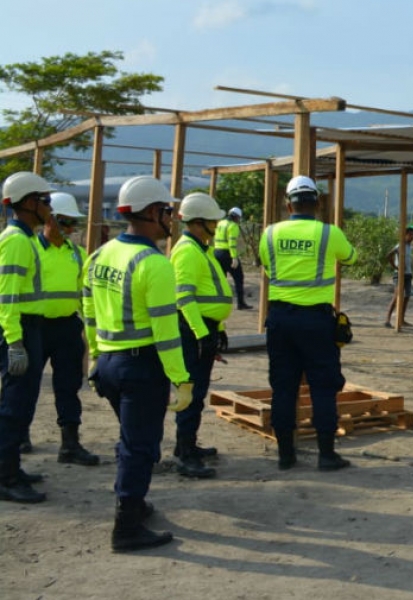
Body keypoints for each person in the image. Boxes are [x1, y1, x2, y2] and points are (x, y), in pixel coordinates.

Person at [83, 175, 192, 551]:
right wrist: (181, 379)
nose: (172, 218)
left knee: (130, 439)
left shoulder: (100, 254)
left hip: (110, 362)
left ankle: (134, 503)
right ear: (150, 212)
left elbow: (89, 312)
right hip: (140, 367)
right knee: (141, 446)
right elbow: (166, 332)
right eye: (167, 211)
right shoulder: (154, 263)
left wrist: (96, 358)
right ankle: (126, 527)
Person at [260, 176, 358, 471]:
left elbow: (267, 265)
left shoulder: (270, 234)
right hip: (316, 321)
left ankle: (285, 455)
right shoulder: (330, 234)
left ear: (288, 204)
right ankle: (326, 455)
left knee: (283, 388)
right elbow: (352, 258)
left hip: (279, 320)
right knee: (323, 387)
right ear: (317, 203)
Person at [169, 192, 235, 479]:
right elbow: (184, 297)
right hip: (191, 329)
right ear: (197, 223)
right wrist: (200, 333)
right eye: (212, 221)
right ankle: (185, 454)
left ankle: (188, 445)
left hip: (204, 328)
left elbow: (211, 294)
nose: (217, 225)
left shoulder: (202, 249)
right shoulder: (186, 250)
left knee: (199, 391)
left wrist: (218, 330)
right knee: (191, 392)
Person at [33, 192, 101, 467]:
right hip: (33, 328)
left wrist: (89, 330)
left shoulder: (77, 253)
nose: (71, 229)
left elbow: (84, 294)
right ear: (49, 220)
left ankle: (70, 444)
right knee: (23, 388)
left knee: (68, 387)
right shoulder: (29, 249)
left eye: (74, 223)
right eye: (66, 222)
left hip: (67, 328)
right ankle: (18, 437)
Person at [0, 171, 55, 504]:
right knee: (13, 407)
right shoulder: (17, 241)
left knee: (23, 404)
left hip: (28, 327)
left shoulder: (27, 238)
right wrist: (14, 342)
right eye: (45, 200)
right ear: (28, 203)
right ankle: (5, 476)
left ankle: (12, 468)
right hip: (19, 329)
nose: (49, 207)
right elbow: (6, 296)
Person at [214, 206, 253, 310]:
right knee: (239, 278)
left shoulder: (220, 223)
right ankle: (240, 303)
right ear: (237, 217)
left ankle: (218, 302)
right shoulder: (233, 226)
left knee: (220, 279)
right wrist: (234, 258)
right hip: (227, 254)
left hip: (217, 253)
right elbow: (232, 243)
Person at [385, 225, 413, 327]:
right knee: (397, 297)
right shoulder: (400, 245)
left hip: (408, 274)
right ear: (405, 235)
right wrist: (395, 267)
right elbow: (389, 255)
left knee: (407, 296)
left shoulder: (409, 247)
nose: (412, 237)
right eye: (410, 235)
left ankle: (402, 319)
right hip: (399, 275)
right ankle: (387, 320)